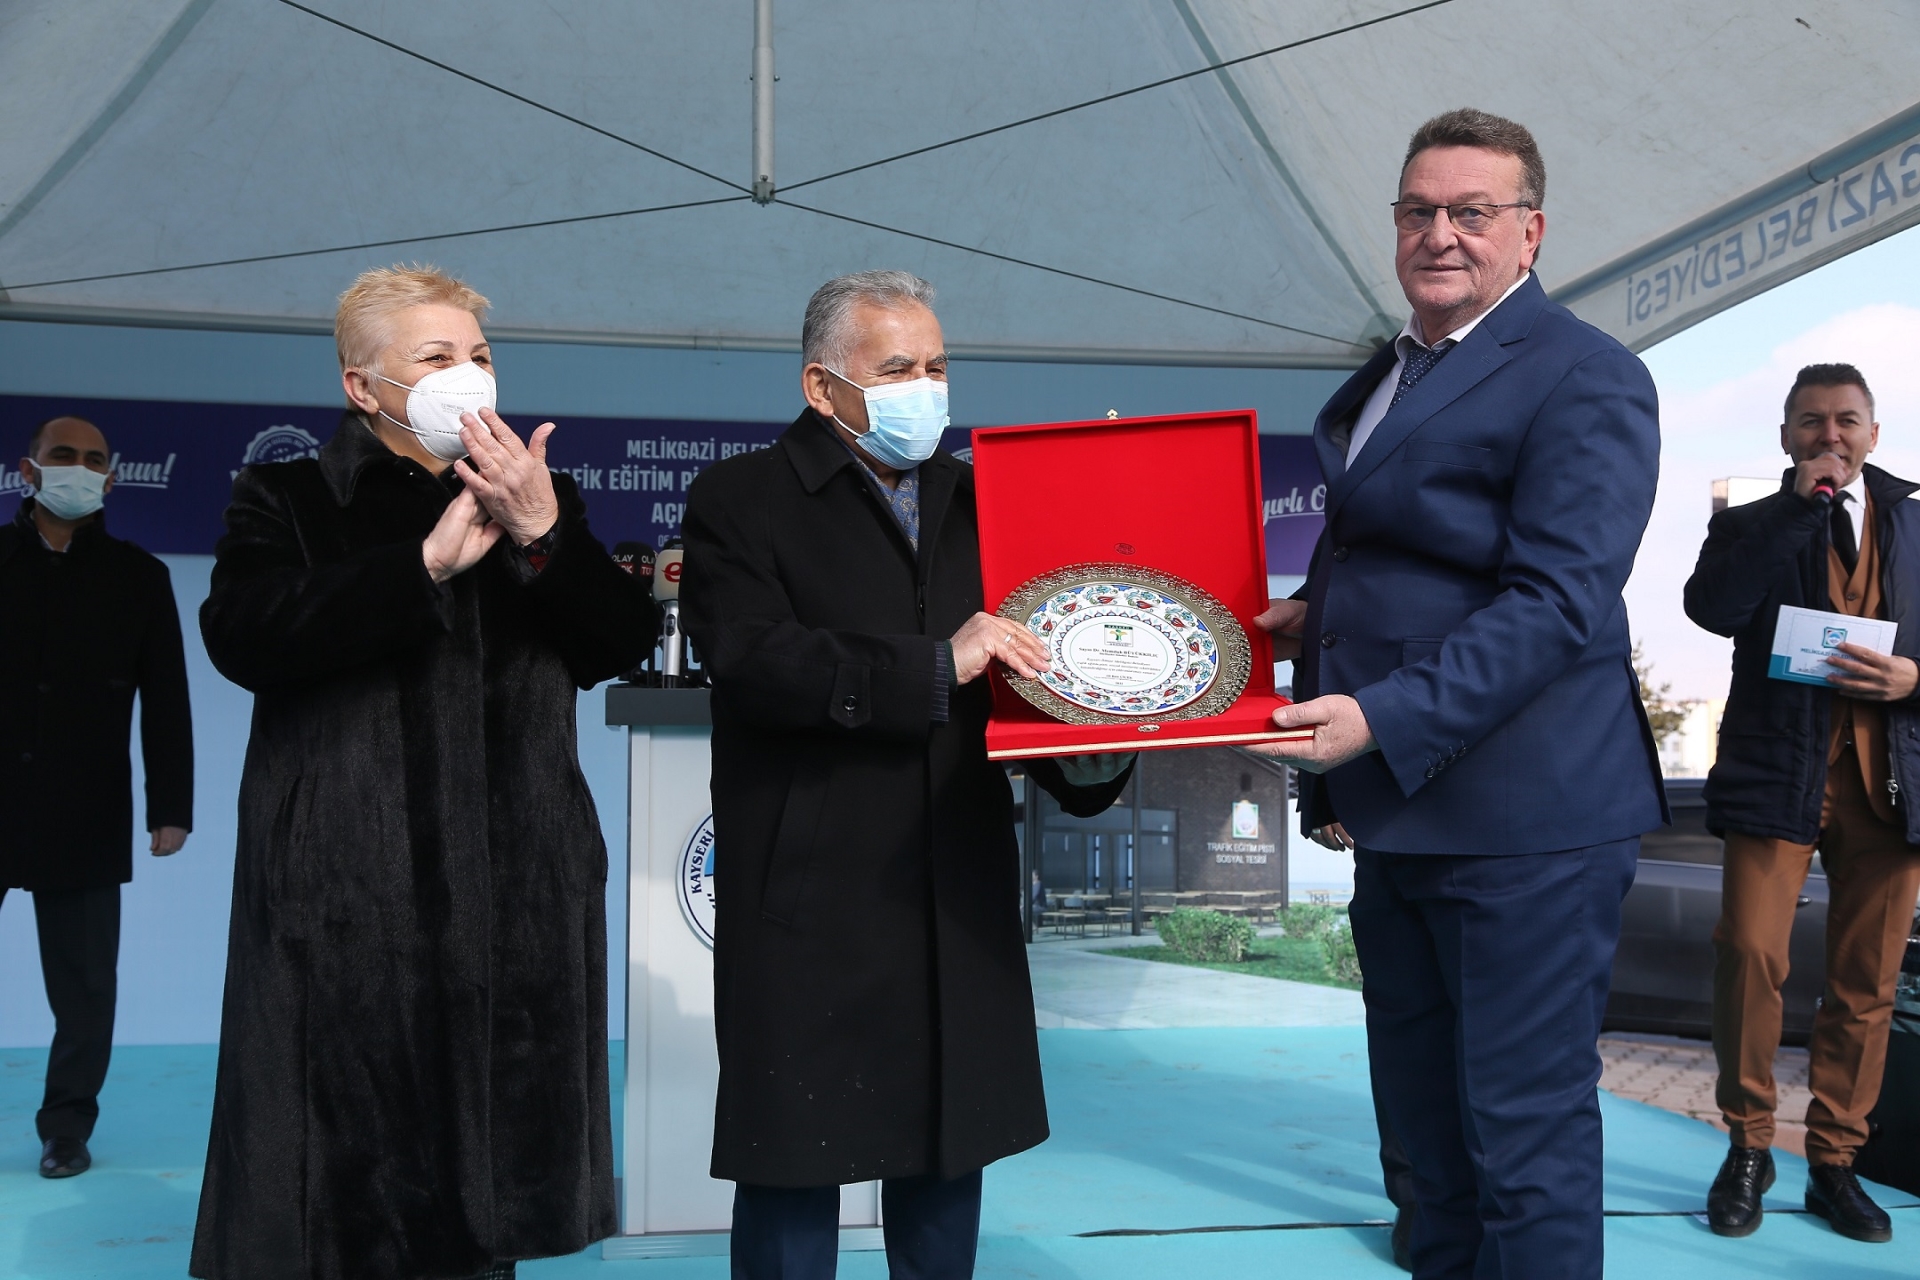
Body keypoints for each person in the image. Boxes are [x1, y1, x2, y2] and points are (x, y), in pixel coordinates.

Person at [1252, 109, 1665, 1278]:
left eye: (1471, 212)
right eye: (1418, 210)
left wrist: (1379, 713)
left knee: (1522, 1141)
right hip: (1403, 810)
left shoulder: (1588, 374)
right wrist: (1312, 616)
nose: (1440, 233)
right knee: (1425, 1145)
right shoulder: (1395, 367)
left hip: (1524, 823)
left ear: (1530, 232)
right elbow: (1404, 551)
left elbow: (1558, 601)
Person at [188, 266, 654, 1280]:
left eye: (479, 355)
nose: (468, 374)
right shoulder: (289, 495)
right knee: (344, 1195)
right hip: (348, 890)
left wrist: (543, 534)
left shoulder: (537, 495)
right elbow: (241, 633)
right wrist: (423, 568)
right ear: (364, 386)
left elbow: (619, 641)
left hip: (516, 887)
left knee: (490, 1186)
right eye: (436, 356)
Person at [681, 270, 1133, 1280]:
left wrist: (1116, 711)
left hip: (956, 882)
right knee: (794, 1166)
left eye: (936, 365)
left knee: (948, 1155)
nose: (925, 387)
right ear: (821, 386)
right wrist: (936, 666)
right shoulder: (741, 498)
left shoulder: (990, 499)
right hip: (813, 894)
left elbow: (1040, 670)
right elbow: (755, 661)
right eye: (896, 369)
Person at [1683, 362, 1920, 1244]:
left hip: (1890, 784)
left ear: (1873, 433)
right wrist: (1796, 510)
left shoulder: (1917, 522)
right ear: (1786, 436)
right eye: (1812, 421)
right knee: (1748, 953)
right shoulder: (1750, 522)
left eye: (1846, 420)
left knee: (1867, 980)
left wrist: (1915, 677)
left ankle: (1836, 1161)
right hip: (1775, 770)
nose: (1830, 435)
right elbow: (1713, 608)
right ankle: (1749, 1146)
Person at [0, 414, 193, 1179]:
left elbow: (167, 699)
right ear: (27, 471)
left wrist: (170, 807)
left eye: (92, 459)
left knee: (85, 986)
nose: (77, 468)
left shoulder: (139, 577)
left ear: (111, 481)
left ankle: (67, 1128)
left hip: (85, 805)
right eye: (62, 455)